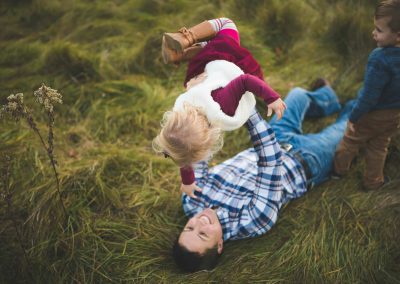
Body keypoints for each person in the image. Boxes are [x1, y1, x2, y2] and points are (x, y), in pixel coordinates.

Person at [173, 81, 347, 272]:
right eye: (203, 235)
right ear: (219, 245)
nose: (200, 222)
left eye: (189, 228)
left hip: (276, 135)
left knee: (297, 95)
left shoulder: (191, 201)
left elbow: (199, 151)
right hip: (306, 159)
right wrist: (246, 109)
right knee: (349, 125)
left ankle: (329, 100)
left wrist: (204, 104)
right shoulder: (252, 221)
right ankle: (361, 105)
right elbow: (269, 161)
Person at [153, 18, 286, 198]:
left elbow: (245, 80)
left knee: (227, 24)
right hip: (200, 70)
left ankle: (187, 39)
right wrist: (188, 182)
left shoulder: (224, 107)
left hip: (225, 59)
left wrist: (272, 98)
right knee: (217, 37)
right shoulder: (182, 114)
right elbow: (184, 156)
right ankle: (192, 51)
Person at [333, 0, 400, 191]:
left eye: (379, 30)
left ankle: (339, 172)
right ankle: (373, 182)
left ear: (397, 36)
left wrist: (354, 117)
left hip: (372, 114)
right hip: (395, 115)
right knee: (379, 147)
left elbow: (369, 96)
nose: (373, 33)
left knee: (350, 141)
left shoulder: (379, 58)